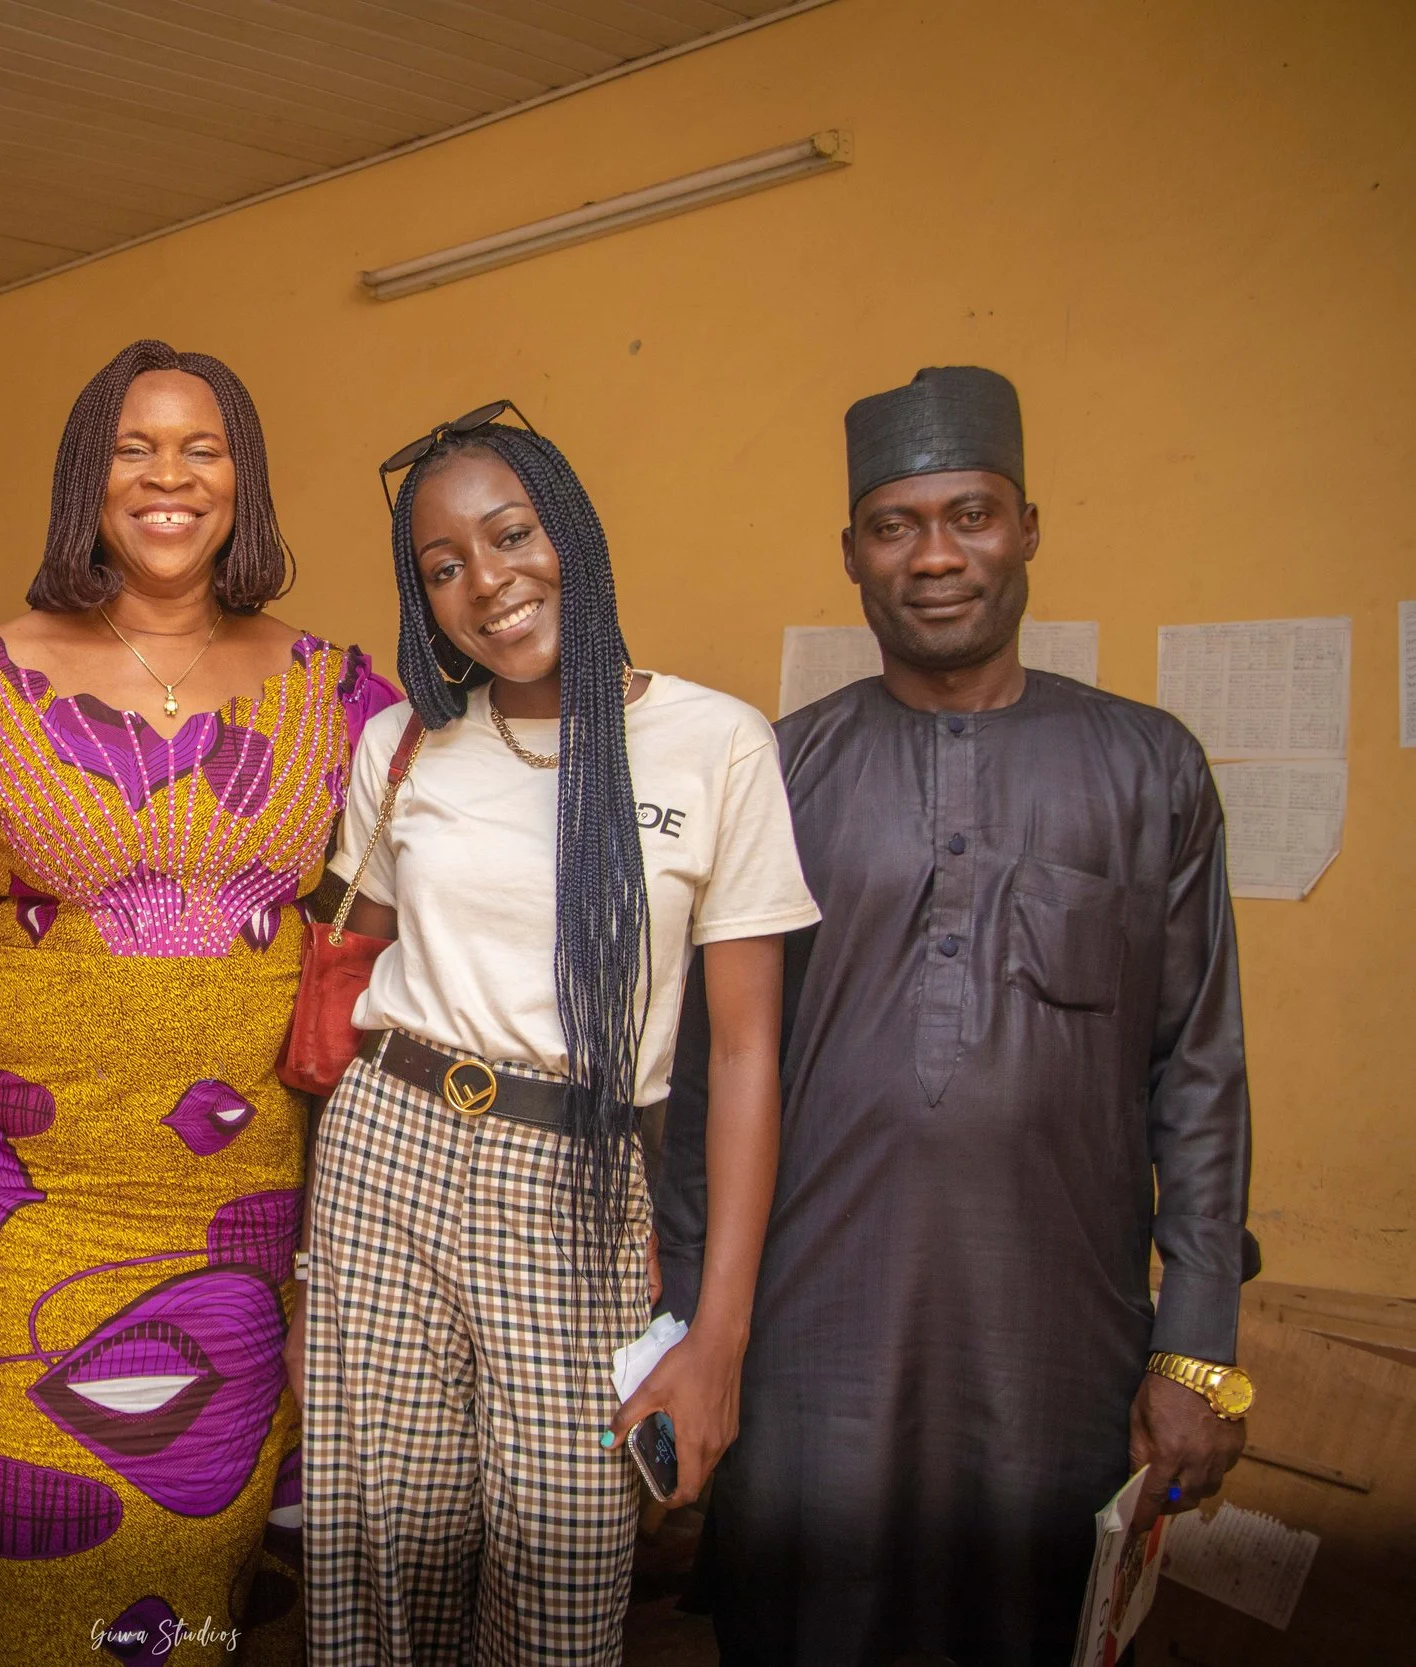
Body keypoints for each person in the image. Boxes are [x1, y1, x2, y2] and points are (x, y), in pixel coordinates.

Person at [664, 367, 1255, 1665]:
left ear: (1029, 527)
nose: (936, 553)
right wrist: (685, 1329)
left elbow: (1198, 1067)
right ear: (853, 555)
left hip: (1061, 1349)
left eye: (972, 514)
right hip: (812, 1348)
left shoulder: (1150, 765)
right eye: (897, 523)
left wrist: (1197, 1346)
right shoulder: (778, 770)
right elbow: (706, 1079)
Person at [0, 339, 398, 1664]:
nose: (169, 476)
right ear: (86, 479)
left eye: (203, 447)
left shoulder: (345, 697)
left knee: (186, 1587)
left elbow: (374, 967)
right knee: (10, 1560)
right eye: (135, 447)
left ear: (246, 481)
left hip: (237, 1234)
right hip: (24, 1230)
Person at [302, 405, 819, 1664]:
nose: (486, 580)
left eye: (510, 533)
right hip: (385, 1149)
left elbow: (748, 1055)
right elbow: (348, 947)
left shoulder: (718, 745)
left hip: (575, 1176)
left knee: (560, 1573)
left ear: (569, 536)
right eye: (442, 567)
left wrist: (718, 1338)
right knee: (376, 1556)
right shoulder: (403, 743)